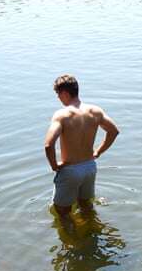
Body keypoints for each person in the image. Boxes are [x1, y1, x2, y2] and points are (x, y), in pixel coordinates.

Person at [44, 74, 120, 223]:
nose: (58, 98)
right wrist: (98, 151)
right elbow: (113, 131)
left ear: (65, 93)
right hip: (90, 167)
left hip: (70, 169)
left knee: (62, 211)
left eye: (58, 94)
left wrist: (54, 166)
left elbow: (48, 145)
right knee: (86, 205)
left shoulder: (62, 115)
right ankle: (92, 230)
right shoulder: (95, 111)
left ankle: (72, 243)